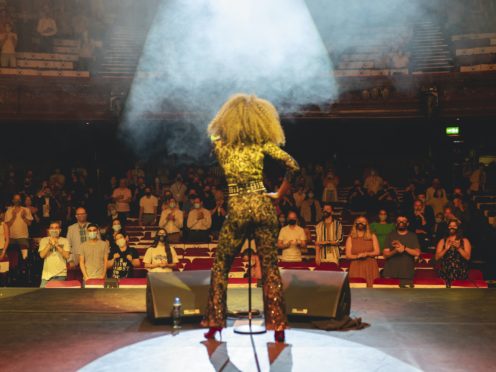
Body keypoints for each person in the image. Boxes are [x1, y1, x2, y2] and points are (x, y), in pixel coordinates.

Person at [202, 94, 299, 343]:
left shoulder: (221, 145)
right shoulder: (261, 144)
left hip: (238, 208)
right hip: (262, 206)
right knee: (269, 269)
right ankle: (278, 327)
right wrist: (279, 193)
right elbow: (294, 166)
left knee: (221, 266)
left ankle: (214, 324)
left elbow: (213, 131)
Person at [382, 216, 421, 287]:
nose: (401, 222)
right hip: (390, 272)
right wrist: (395, 251)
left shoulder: (413, 236)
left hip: (407, 273)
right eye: (399, 220)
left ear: (408, 223)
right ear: (396, 223)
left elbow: (417, 253)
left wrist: (404, 248)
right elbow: (385, 255)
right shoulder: (390, 235)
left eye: (404, 221)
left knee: (406, 297)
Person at [345, 217, 380, 287]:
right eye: (359, 221)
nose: (361, 223)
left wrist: (367, 254)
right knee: (356, 287)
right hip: (356, 266)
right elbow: (348, 255)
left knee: (371, 289)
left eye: (363, 221)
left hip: (370, 266)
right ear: (355, 223)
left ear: (366, 224)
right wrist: (357, 256)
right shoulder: (350, 238)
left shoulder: (372, 236)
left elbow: (377, 251)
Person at [435, 220, 471, 287]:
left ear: (458, 228)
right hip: (445, 273)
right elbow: (437, 257)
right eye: (450, 226)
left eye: (454, 226)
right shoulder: (442, 241)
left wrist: (459, 248)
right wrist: (445, 249)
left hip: (460, 273)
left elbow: (468, 257)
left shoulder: (465, 241)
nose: (452, 227)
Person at [38, 221, 71, 287]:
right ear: (49, 230)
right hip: (46, 275)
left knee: (56, 296)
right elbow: (41, 255)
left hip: (60, 274)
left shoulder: (65, 240)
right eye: (52, 228)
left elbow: (67, 256)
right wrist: (50, 244)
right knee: (42, 295)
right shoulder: (44, 240)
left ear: (60, 230)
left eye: (56, 228)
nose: (54, 230)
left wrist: (56, 245)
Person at [5, 194, 33, 261]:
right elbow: (7, 226)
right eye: (15, 199)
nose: (17, 201)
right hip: (11, 238)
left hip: (23, 237)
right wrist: (13, 217)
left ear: (21, 200)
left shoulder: (26, 210)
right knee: (12, 259)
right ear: (13, 200)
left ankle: (25, 270)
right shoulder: (9, 211)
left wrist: (23, 217)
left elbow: (29, 224)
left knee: (25, 258)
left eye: (19, 199)